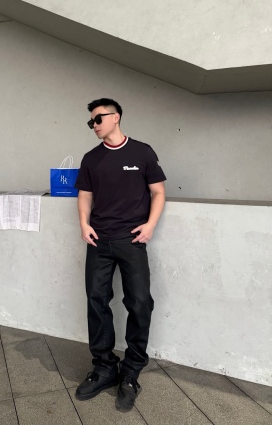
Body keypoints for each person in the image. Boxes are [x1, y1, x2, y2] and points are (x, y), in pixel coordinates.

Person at [74, 98, 166, 412]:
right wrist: (84, 224)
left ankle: (131, 371)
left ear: (115, 117)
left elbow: (158, 192)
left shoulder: (142, 152)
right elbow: (84, 195)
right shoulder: (91, 158)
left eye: (98, 119)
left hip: (132, 240)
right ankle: (104, 368)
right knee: (96, 301)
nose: (94, 125)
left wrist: (150, 225)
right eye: (91, 121)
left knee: (139, 302)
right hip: (98, 240)